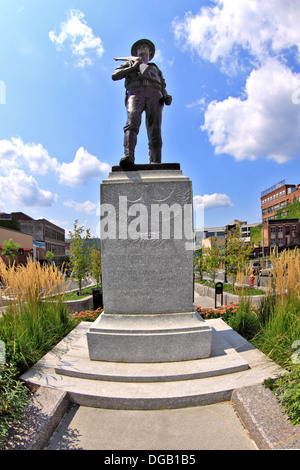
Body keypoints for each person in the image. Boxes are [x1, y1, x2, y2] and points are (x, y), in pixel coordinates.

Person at [112, 39, 172, 167]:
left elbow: (162, 84)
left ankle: (156, 161)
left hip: (155, 94)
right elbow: (115, 75)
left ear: (150, 53)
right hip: (135, 92)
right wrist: (132, 67)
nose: (143, 48)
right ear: (136, 52)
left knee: (155, 129)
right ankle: (129, 156)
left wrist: (166, 96)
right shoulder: (129, 63)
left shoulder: (155, 68)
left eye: (146, 47)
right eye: (140, 46)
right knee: (132, 121)